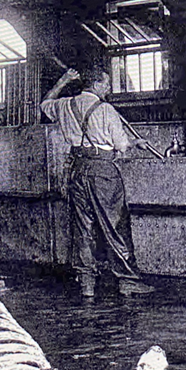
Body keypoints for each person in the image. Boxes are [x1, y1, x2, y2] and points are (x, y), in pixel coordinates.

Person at [41, 66, 155, 298]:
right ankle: (128, 281)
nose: (109, 88)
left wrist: (63, 80)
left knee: (82, 228)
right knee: (115, 225)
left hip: (77, 170)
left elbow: (45, 104)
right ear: (96, 85)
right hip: (102, 172)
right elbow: (119, 145)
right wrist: (134, 142)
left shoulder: (65, 105)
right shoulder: (106, 110)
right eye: (106, 84)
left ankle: (87, 284)